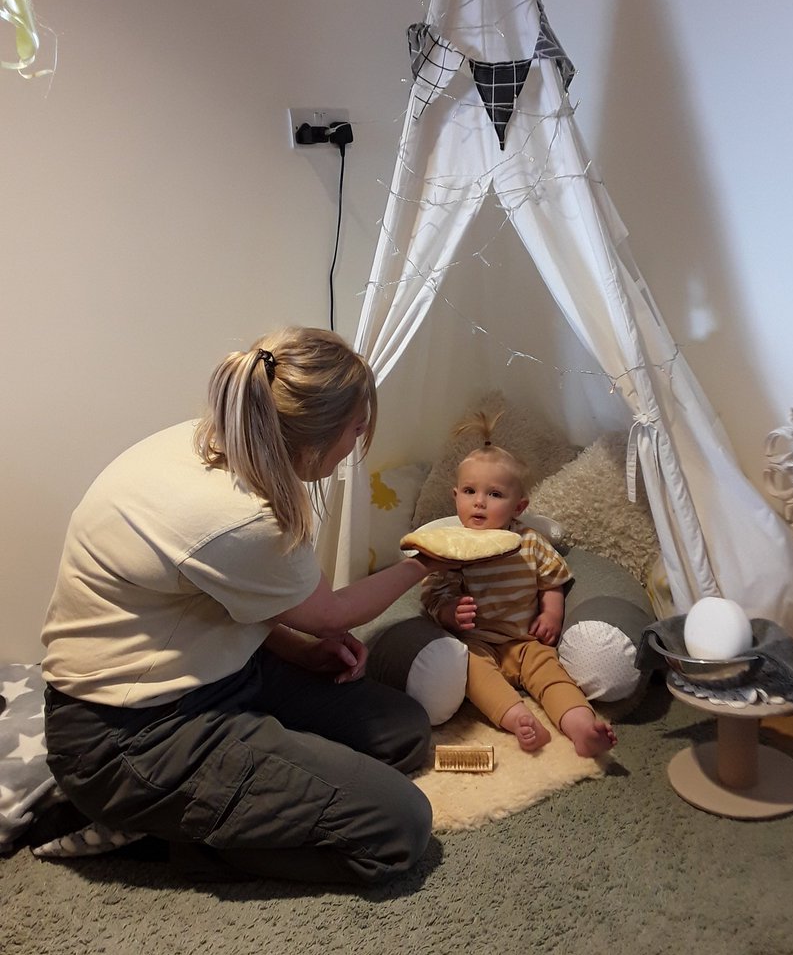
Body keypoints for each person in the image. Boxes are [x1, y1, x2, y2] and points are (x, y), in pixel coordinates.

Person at [41, 326, 447, 887]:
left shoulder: (219, 439)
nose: (359, 440)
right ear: (315, 440)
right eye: (358, 428)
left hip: (210, 675)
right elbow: (332, 614)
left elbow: (216, 594)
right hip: (130, 736)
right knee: (398, 828)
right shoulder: (245, 517)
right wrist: (430, 558)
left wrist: (296, 653)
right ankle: (164, 835)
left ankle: (240, 786)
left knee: (403, 732)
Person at [420, 411, 617, 758]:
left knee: (552, 673)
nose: (479, 501)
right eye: (469, 491)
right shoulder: (452, 546)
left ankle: (581, 727)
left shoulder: (529, 542)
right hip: (477, 641)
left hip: (524, 641)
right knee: (470, 669)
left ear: (519, 506)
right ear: (455, 496)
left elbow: (552, 580)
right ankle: (518, 718)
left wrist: (551, 614)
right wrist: (451, 612)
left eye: (495, 494)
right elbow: (433, 594)